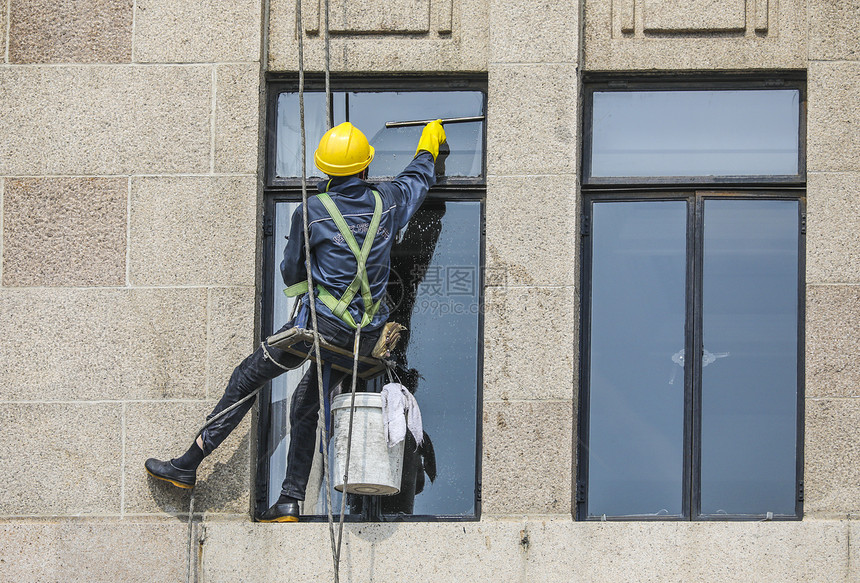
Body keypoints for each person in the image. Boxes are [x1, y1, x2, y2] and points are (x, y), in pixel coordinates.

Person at [145, 119, 447, 522]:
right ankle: (289, 500)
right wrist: (429, 142)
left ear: (326, 170)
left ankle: (188, 463)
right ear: (365, 167)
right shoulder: (386, 202)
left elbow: (291, 272)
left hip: (319, 331)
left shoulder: (312, 211)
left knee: (246, 378)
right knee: (307, 404)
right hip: (366, 339)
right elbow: (417, 180)